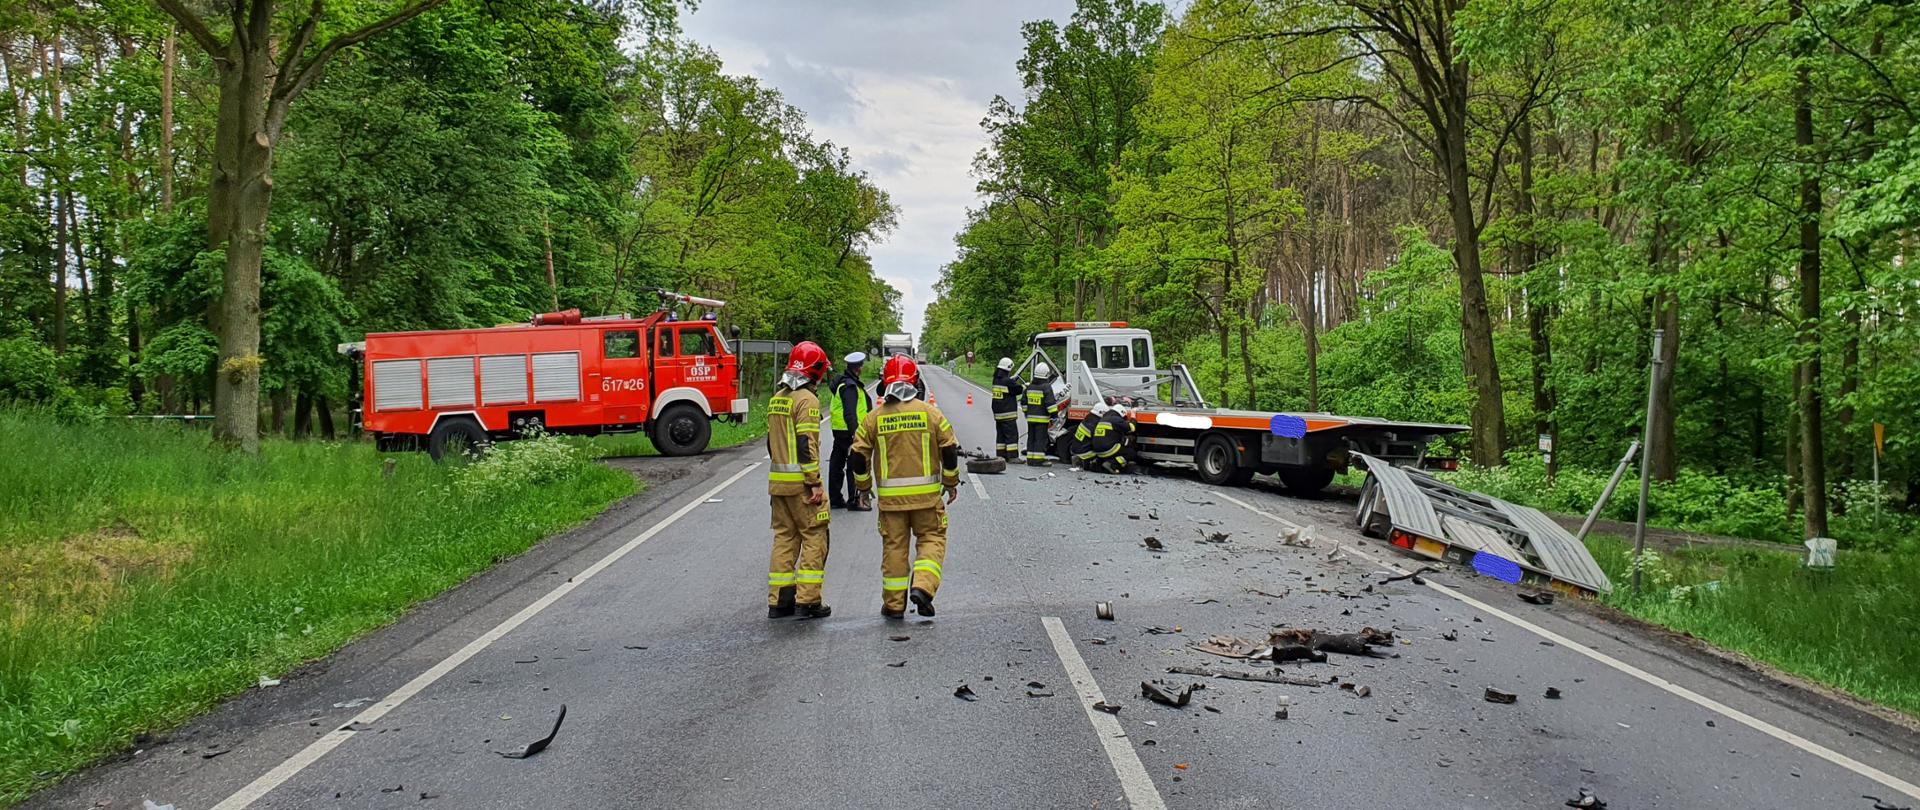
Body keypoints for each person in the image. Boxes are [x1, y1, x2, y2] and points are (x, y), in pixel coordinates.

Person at [850, 354, 960, 618]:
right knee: (932, 540)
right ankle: (922, 586)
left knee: (894, 549)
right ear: (915, 381)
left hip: (891, 504)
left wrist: (863, 488)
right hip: (926, 500)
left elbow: (857, 456)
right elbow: (949, 449)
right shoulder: (931, 413)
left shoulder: (873, 418)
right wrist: (951, 481)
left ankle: (894, 605)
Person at [765, 341, 832, 619]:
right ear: (815, 370)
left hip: (778, 483)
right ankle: (808, 600)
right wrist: (814, 481)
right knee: (815, 536)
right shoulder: (807, 400)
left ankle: (779, 601)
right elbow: (806, 443)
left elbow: (771, 443)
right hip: (802, 486)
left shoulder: (778, 398)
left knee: (785, 538)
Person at [828, 352, 873, 511]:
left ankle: (835, 498)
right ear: (858, 368)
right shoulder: (849, 386)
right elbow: (850, 412)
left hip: (839, 429)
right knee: (853, 464)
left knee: (837, 463)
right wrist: (855, 432)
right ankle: (854, 500)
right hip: (849, 430)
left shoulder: (842, 383)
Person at [1022, 362, 1062, 466]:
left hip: (1030, 419)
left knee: (1031, 438)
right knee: (1040, 439)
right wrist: (1054, 416)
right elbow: (1050, 404)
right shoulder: (1046, 387)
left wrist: (1026, 413)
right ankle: (1038, 460)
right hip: (1042, 419)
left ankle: (1030, 459)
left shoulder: (1029, 387)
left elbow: (1023, 402)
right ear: (1046, 374)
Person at [990, 357, 1024, 460]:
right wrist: (1025, 386)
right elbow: (1017, 389)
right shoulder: (1008, 381)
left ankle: (1001, 455)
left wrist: (1012, 380)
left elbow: (1008, 387)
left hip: (998, 414)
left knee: (1000, 436)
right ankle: (1013, 457)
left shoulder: (996, 380)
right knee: (1011, 435)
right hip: (1008, 413)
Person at [1088, 403, 1136, 473]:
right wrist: (1133, 416)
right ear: (1121, 413)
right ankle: (1112, 464)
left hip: (1096, 451)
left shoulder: (1103, 419)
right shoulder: (1116, 419)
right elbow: (1132, 427)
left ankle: (1097, 462)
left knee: (1113, 446)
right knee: (1131, 453)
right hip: (1108, 449)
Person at [1070, 402, 1109, 467]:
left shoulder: (1088, 419)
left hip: (1076, 448)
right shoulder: (1095, 424)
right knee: (1103, 457)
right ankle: (1082, 462)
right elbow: (1098, 443)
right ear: (1101, 413)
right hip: (1084, 452)